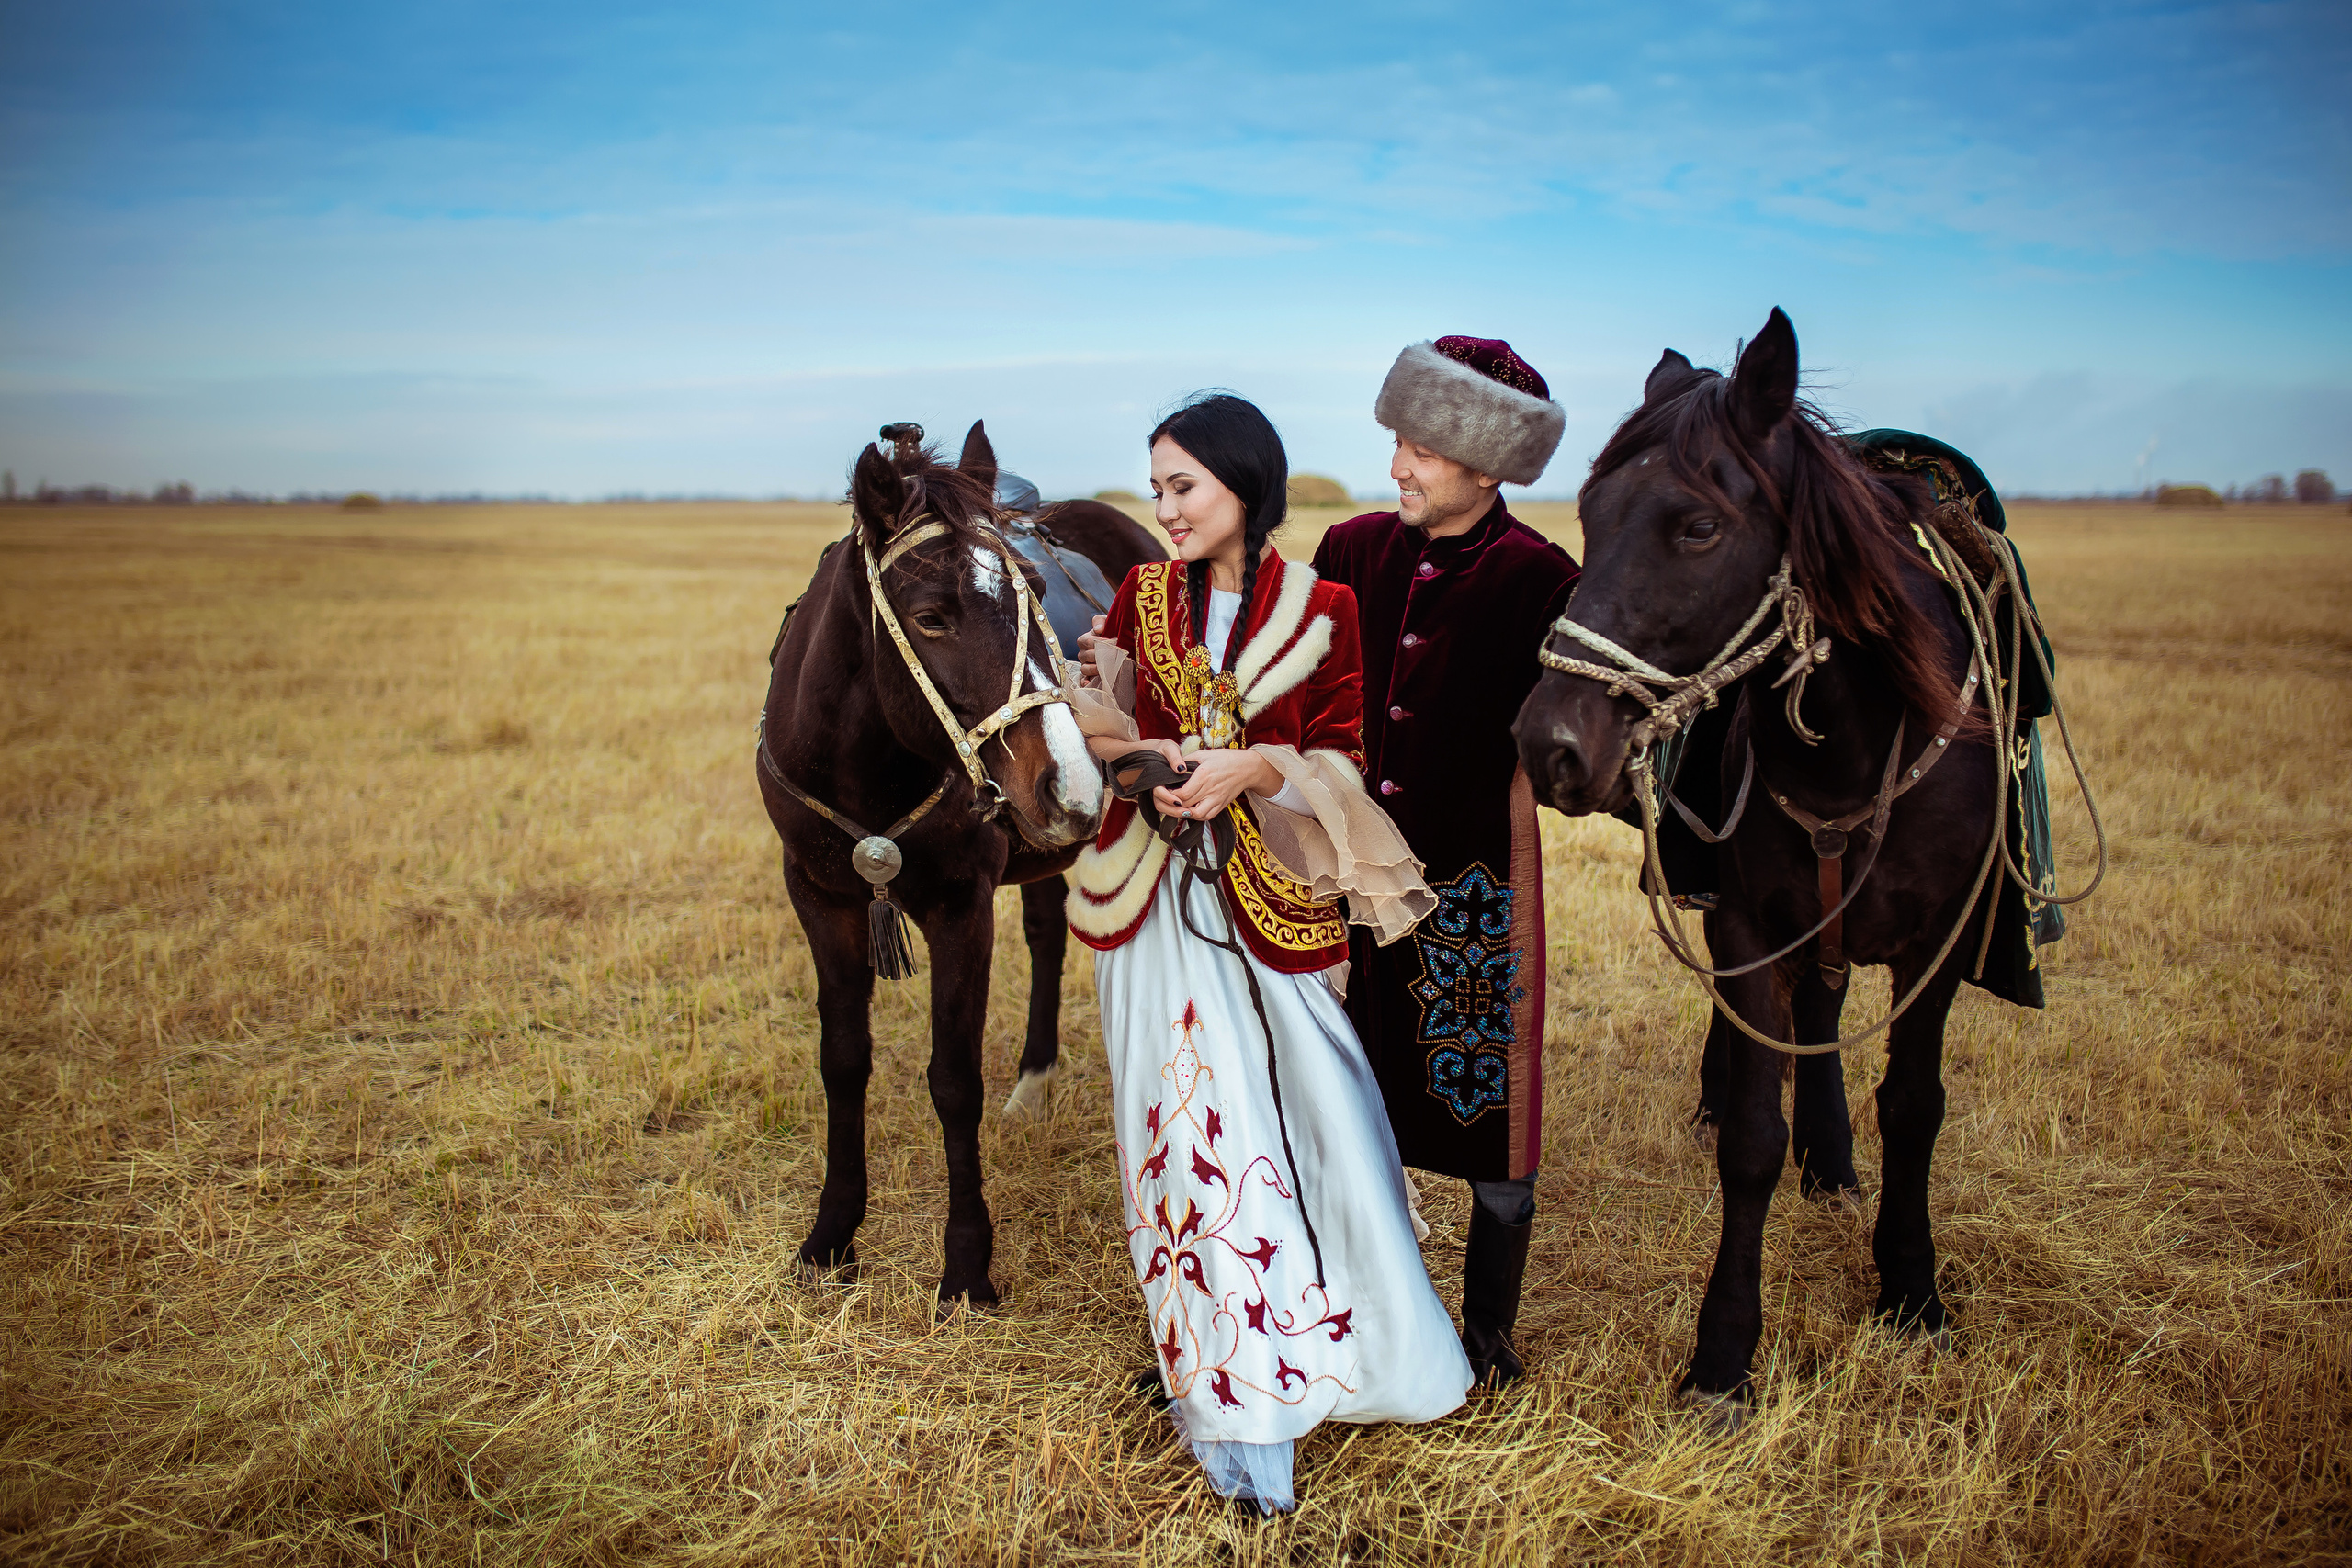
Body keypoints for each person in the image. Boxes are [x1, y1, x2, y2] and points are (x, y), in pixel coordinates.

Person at [1066, 392, 1469, 1515]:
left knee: (1321, 1118)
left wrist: (1248, 767)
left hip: (1272, 906)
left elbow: (1340, 755)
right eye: (1155, 489)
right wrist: (1149, 755)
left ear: (1247, 482)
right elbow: (1091, 719)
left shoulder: (1325, 606)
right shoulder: (1142, 593)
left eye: (1182, 485)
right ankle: (1227, 1386)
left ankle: (1349, 1355)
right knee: (1190, 1135)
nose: (1165, 509)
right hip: (1153, 912)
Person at [1308, 338, 1581, 1387]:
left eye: (1417, 448)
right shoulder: (1349, 549)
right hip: (1331, 879)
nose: (1396, 468)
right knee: (1327, 1089)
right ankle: (1332, 1301)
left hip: (1471, 884)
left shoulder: (1546, 583)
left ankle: (1488, 1333)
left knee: (1484, 1101)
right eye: (1395, 442)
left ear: (1484, 462)